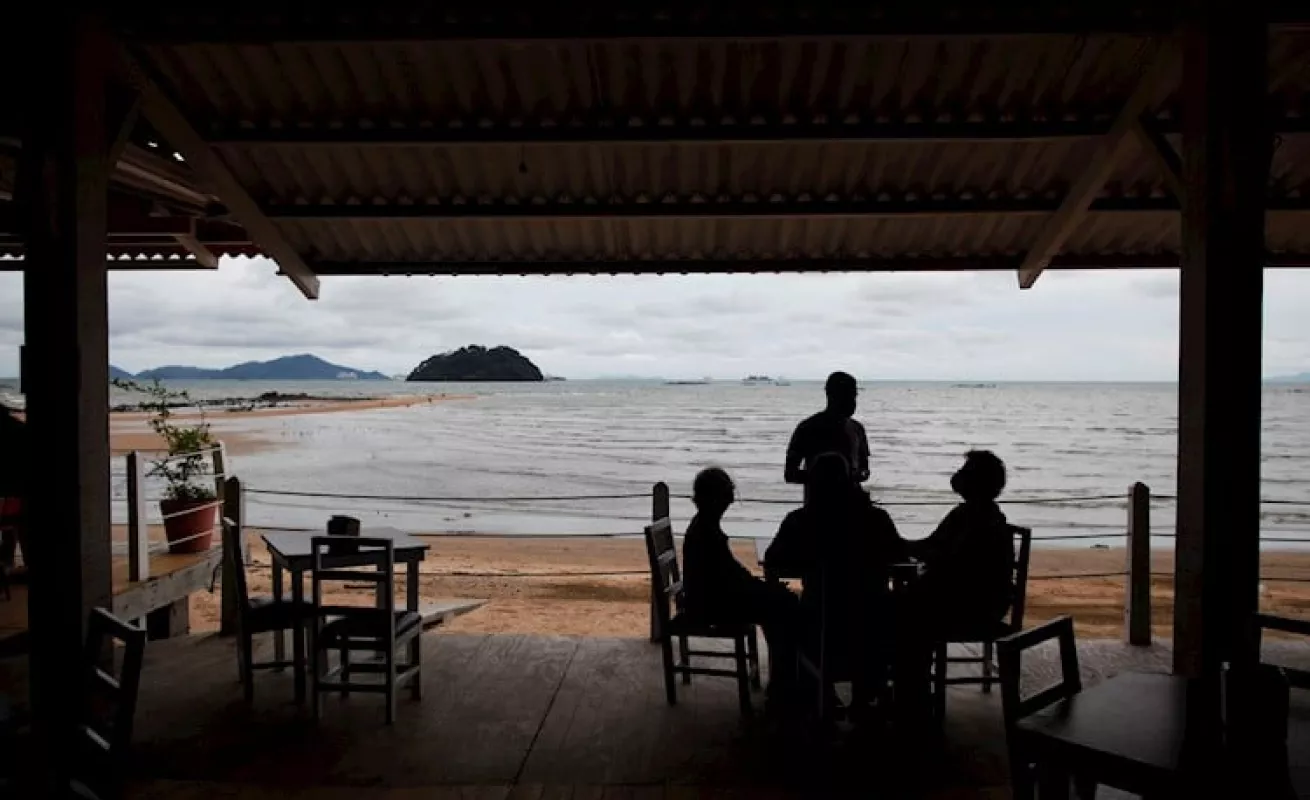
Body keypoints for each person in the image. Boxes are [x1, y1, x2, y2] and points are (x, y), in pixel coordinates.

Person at [767, 452, 905, 711]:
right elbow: (900, 558)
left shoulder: (800, 521)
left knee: (780, 611)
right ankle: (874, 693)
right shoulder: (876, 520)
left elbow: (773, 561)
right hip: (870, 626)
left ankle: (797, 688)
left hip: (819, 624)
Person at [682, 467, 799, 703]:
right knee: (782, 606)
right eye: (726, 496)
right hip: (711, 604)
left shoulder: (704, 526)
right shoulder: (707, 532)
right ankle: (784, 680)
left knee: (777, 603)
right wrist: (764, 588)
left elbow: (731, 573)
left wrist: (760, 587)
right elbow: (731, 579)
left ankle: (783, 678)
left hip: (708, 597)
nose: (729, 502)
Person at [905, 449, 1014, 631]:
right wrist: (904, 546)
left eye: (965, 471)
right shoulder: (966, 512)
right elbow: (932, 545)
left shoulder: (982, 520)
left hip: (976, 604)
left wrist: (904, 548)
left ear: (978, 480)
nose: (958, 475)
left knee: (902, 611)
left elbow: (950, 560)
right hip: (966, 596)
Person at [784, 372, 870, 500]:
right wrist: (824, 478)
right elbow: (790, 474)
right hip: (817, 508)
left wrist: (859, 475)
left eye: (854, 396)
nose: (852, 401)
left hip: (852, 507)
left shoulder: (858, 429)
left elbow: (865, 469)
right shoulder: (807, 428)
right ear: (830, 395)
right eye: (846, 396)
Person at [0, 405, 28, 575]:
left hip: (8, 485)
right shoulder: (19, 429)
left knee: (10, 527)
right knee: (20, 525)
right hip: (21, 484)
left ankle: (7, 561)